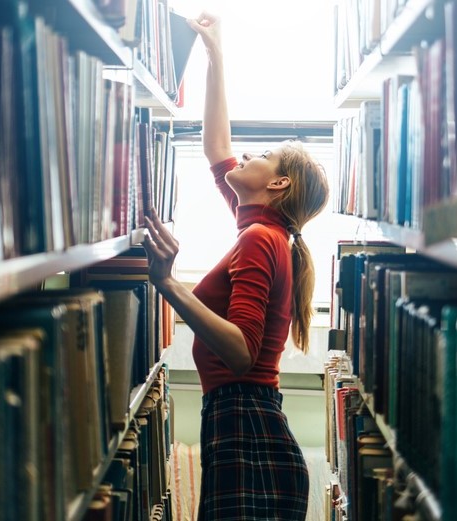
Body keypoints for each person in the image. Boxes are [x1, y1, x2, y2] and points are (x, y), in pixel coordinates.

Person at [141, 11, 330, 521]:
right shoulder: (262, 230)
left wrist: (169, 285)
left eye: (264, 154)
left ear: (278, 185)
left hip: (246, 425)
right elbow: (217, 147)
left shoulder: (260, 240)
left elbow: (243, 353)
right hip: (244, 422)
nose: (246, 155)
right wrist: (215, 54)